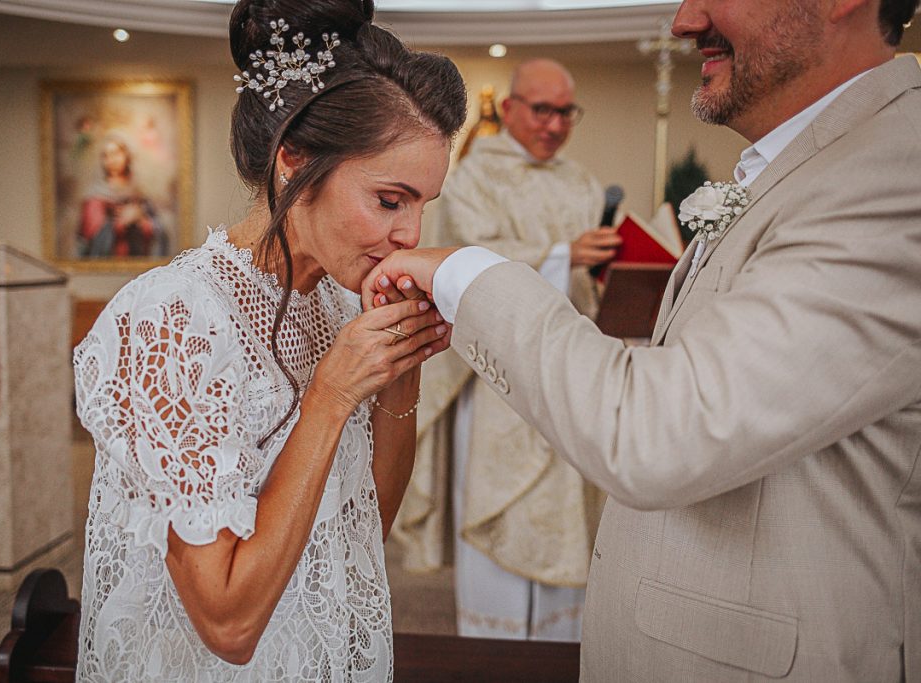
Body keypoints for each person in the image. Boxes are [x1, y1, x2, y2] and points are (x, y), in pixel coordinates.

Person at [364, 0, 921, 680]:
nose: (684, 20)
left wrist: (465, 271)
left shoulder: (892, 173)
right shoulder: (811, 165)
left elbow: (663, 431)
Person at [72, 1, 466, 680]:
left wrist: (402, 365)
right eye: (390, 200)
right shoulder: (174, 317)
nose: (410, 236)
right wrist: (331, 393)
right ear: (295, 161)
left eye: (422, 206)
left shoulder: (343, 304)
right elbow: (228, 621)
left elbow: (364, 528)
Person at [399, 58, 619, 642]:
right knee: (502, 503)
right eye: (541, 110)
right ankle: (494, 648)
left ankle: (558, 648)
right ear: (512, 109)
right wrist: (564, 254)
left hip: (569, 366)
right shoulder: (474, 177)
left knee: (564, 504)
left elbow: (586, 277)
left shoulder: (582, 182)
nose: (553, 124)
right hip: (497, 378)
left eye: (565, 112)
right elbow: (469, 260)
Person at [78, 136, 166, 258]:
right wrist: (121, 224)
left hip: (139, 263)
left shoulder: (139, 193)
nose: (111, 160)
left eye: (116, 154)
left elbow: (159, 232)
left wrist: (141, 220)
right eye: (106, 155)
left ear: (127, 156)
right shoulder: (95, 197)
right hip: (105, 268)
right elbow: (91, 237)